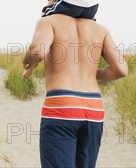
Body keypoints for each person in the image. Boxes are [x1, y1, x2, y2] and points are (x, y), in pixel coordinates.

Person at [22, 14, 129, 168]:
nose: (47, 0)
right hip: (94, 109)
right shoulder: (100, 30)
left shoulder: (48, 22)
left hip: (62, 106)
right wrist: (92, 73)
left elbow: (38, 52)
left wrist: (26, 62)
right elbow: (122, 70)